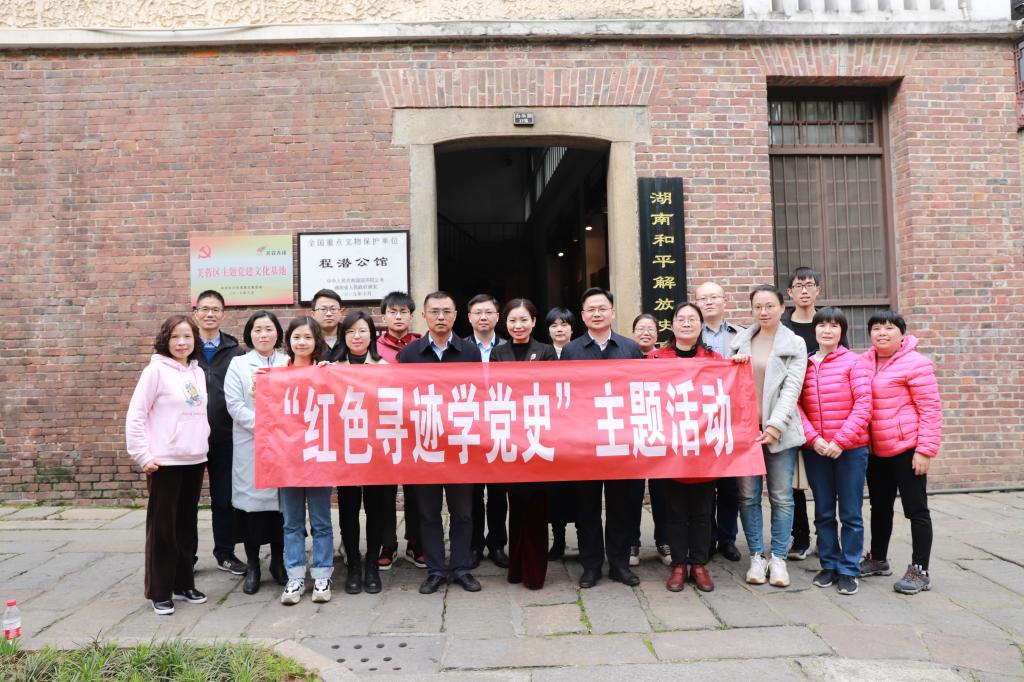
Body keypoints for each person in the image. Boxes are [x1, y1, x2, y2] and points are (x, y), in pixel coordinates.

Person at [398, 291, 483, 594]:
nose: (441, 317)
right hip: (425, 445)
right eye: (434, 311)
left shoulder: (470, 352)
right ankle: (435, 569)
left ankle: (460, 567)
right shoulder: (409, 355)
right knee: (428, 512)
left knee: (463, 512)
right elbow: (400, 399)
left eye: (447, 311)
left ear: (456, 315)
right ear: (424, 316)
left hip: (460, 444)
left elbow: (479, 396)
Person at [126, 315, 211, 616]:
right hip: (164, 461)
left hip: (194, 459)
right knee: (163, 528)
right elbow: (136, 414)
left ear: (195, 340)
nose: (181, 342)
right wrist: (142, 455)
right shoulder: (155, 371)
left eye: (187, 337)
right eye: (175, 337)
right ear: (166, 340)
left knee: (186, 526)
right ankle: (160, 591)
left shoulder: (197, 372)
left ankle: (183, 583)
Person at [561, 287, 645, 588]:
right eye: (591, 309)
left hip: (620, 440)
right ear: (583, 316)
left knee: (621, 506)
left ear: (612, 312)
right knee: (587, 508)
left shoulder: (630, 348)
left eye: (602, 308)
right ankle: (591, 565)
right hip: (585, 442)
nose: (597, 314)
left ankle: (619, 564)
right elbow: (564, 395)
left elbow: (640, 391)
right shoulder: (571, 351)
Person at [859, 311, 942, 595]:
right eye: (876, 328)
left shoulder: (916, 364)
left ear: (901, 334)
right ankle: (878, 559)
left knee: (916, 510)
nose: (882, 333)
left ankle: (920, 570)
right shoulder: (864, 362)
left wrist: (925, 450)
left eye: (889, 328)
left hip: (907, 449)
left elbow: (930, 410)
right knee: (879, 507)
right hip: (875, 450)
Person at [730, 285, 807, 588]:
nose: (763, 312)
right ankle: (756, 556)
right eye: (758, 307)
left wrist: (775, 426)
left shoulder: (794, 344)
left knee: (781, 497)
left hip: (779, 432)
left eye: (770, 306)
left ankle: (778, 558)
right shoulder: (739, 343)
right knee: (748, 496)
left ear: (782, 308)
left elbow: (792, 389)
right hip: (746, 433)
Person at [648, 302, 723, 593]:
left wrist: (739, 365)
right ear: (672, 325)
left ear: (701, 325)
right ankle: (679, 565)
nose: (687, 323)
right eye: (681, 319)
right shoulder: (656, 359)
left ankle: (699, 564)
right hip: (671, 448)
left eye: (693, 319)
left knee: (703, 511)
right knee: (675, 511)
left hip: (704, 447)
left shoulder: (714, 359)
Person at [797, 307, 871, 596]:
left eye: (833, 325)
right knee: (824, 511)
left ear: (842, 331)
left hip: (850, 450)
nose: (827, 330)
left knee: (851, 512)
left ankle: (849, 568)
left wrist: (840, 441)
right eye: (822, 325)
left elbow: (863, 404)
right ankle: (828, 563)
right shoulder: (804, 364)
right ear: (814, 330)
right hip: (816, 450)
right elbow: (796, 405)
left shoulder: (854, 363)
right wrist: (813, 439)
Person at [490, 298, 558, 589]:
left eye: (524, 320)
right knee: (515, 505)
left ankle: (534, 573)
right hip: (509, 436)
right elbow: (494, 391)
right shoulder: (498, 352)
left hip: (538, 435)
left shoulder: (545, 351)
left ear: (534, 322)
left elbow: (551, 389)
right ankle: (516, 567)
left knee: (537, 507)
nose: (518, 326)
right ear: (505, 323)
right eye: (512, 320)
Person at [782, 267, 848, 561]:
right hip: (791, 410)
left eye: (810, 285)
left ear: (818, 290)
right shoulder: (783, 327)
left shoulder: (828, 323)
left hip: (828, 413)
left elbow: (843, 363)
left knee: (827, 483)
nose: (804, 291)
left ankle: (827, 538)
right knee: (794, 481)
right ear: (790, 293)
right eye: (799, 286)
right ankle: (800, 537)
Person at [224, 310, 289, 594]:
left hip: (284, 445)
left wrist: (280, 427)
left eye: (269, 329)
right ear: (249, 334)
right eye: (258, 329)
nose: (264, 335)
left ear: (278, 334)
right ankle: (253, 565)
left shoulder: (288, 362)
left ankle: (278, 562)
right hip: (251, 443)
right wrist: (264, 425)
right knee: (251, 509)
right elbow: (234, 405)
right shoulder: (238, 364)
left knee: (282, 508)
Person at [278, 316, 335, 605]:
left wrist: (332, 377)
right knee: (292, 522)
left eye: (308, 337)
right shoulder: (276, 374)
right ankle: (295, 576)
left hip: (318, 456)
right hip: (287, 459)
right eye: (296, 337)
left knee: (321, 520)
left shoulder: (325, 372)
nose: (302, 342)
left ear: (317, 342)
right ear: (288, 341)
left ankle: (323, 574)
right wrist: (257, 388)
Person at [335, 310, 392, 595]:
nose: (356, 337)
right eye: (350, 332)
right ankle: (353, 565)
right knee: (348, 509)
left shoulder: (385, 368)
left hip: (377, 450)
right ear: (343, 336)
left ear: (372, 335)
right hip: (345, 450)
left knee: (376, 509)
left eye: (362, 331)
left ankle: (372, 565)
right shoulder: (331, 368)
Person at [192, 290, 246, 575]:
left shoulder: (235, 351)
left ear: (223, 315)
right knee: (186, 502)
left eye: (215, 309)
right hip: (189, 439)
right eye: (205, 309)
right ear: (196, 313)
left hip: (225, 437)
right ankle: (186, 556)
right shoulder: (185, 347)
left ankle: (225, 553)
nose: (210, 314)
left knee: (224, 499)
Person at [695, 281, 743, 563]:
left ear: (725, 301)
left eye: (714, 297)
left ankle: (727, 538)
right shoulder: (690, 334)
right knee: (704, 484)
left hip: (731, 418)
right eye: (703, 298)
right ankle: (708, 538)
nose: (709, 302)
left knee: (729, 486)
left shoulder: (742, 335)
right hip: (700, 420)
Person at [374, 291, 423, 571]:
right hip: (384, 427)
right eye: (392, 312)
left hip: (415, 426)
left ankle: (416, 542)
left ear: (411, 316)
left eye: (404, 312)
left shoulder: (421, 345)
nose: (398, 317)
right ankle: (387, 544)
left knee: (417, 489)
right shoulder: (374, 348)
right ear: (384, 316)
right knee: (384, 490)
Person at [465, 294, 509, 570]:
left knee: (498, 491)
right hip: (468, 425)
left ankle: (497, 543)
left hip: (499, 423)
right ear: (469, 317)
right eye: (478, 312)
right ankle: (473, 545)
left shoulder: (507, 347)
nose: (483, 317)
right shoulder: (460, 348)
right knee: (471, 491)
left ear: (497, 317)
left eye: (488, 312)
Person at [629, 313, 670, 567]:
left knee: (662, 491)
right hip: (631, 432)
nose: (645, 333)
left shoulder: (666, 358)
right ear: (633, 333)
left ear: (657, 333)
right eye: (640, 328)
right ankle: (631, 542)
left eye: (650, 329)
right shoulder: (624, 356)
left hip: (659, 430)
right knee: (631, 492)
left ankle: (664, 541)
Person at [543, 306, 578, 560]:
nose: (559, 329)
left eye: (564, 324)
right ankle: (558, 539)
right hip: (550, 431)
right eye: (554, 325)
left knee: (578, 489)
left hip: (577, 430)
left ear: (572, 328)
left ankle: (585, 538)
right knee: (554, 490)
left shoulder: (580, 352)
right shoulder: (543, 355)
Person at [311, 288, 345, 362]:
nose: (329, 314)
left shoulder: (349, 335)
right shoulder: (308, 338)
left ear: (341, 312)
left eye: (333, 309)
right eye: (323, 309)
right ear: (313, 314)